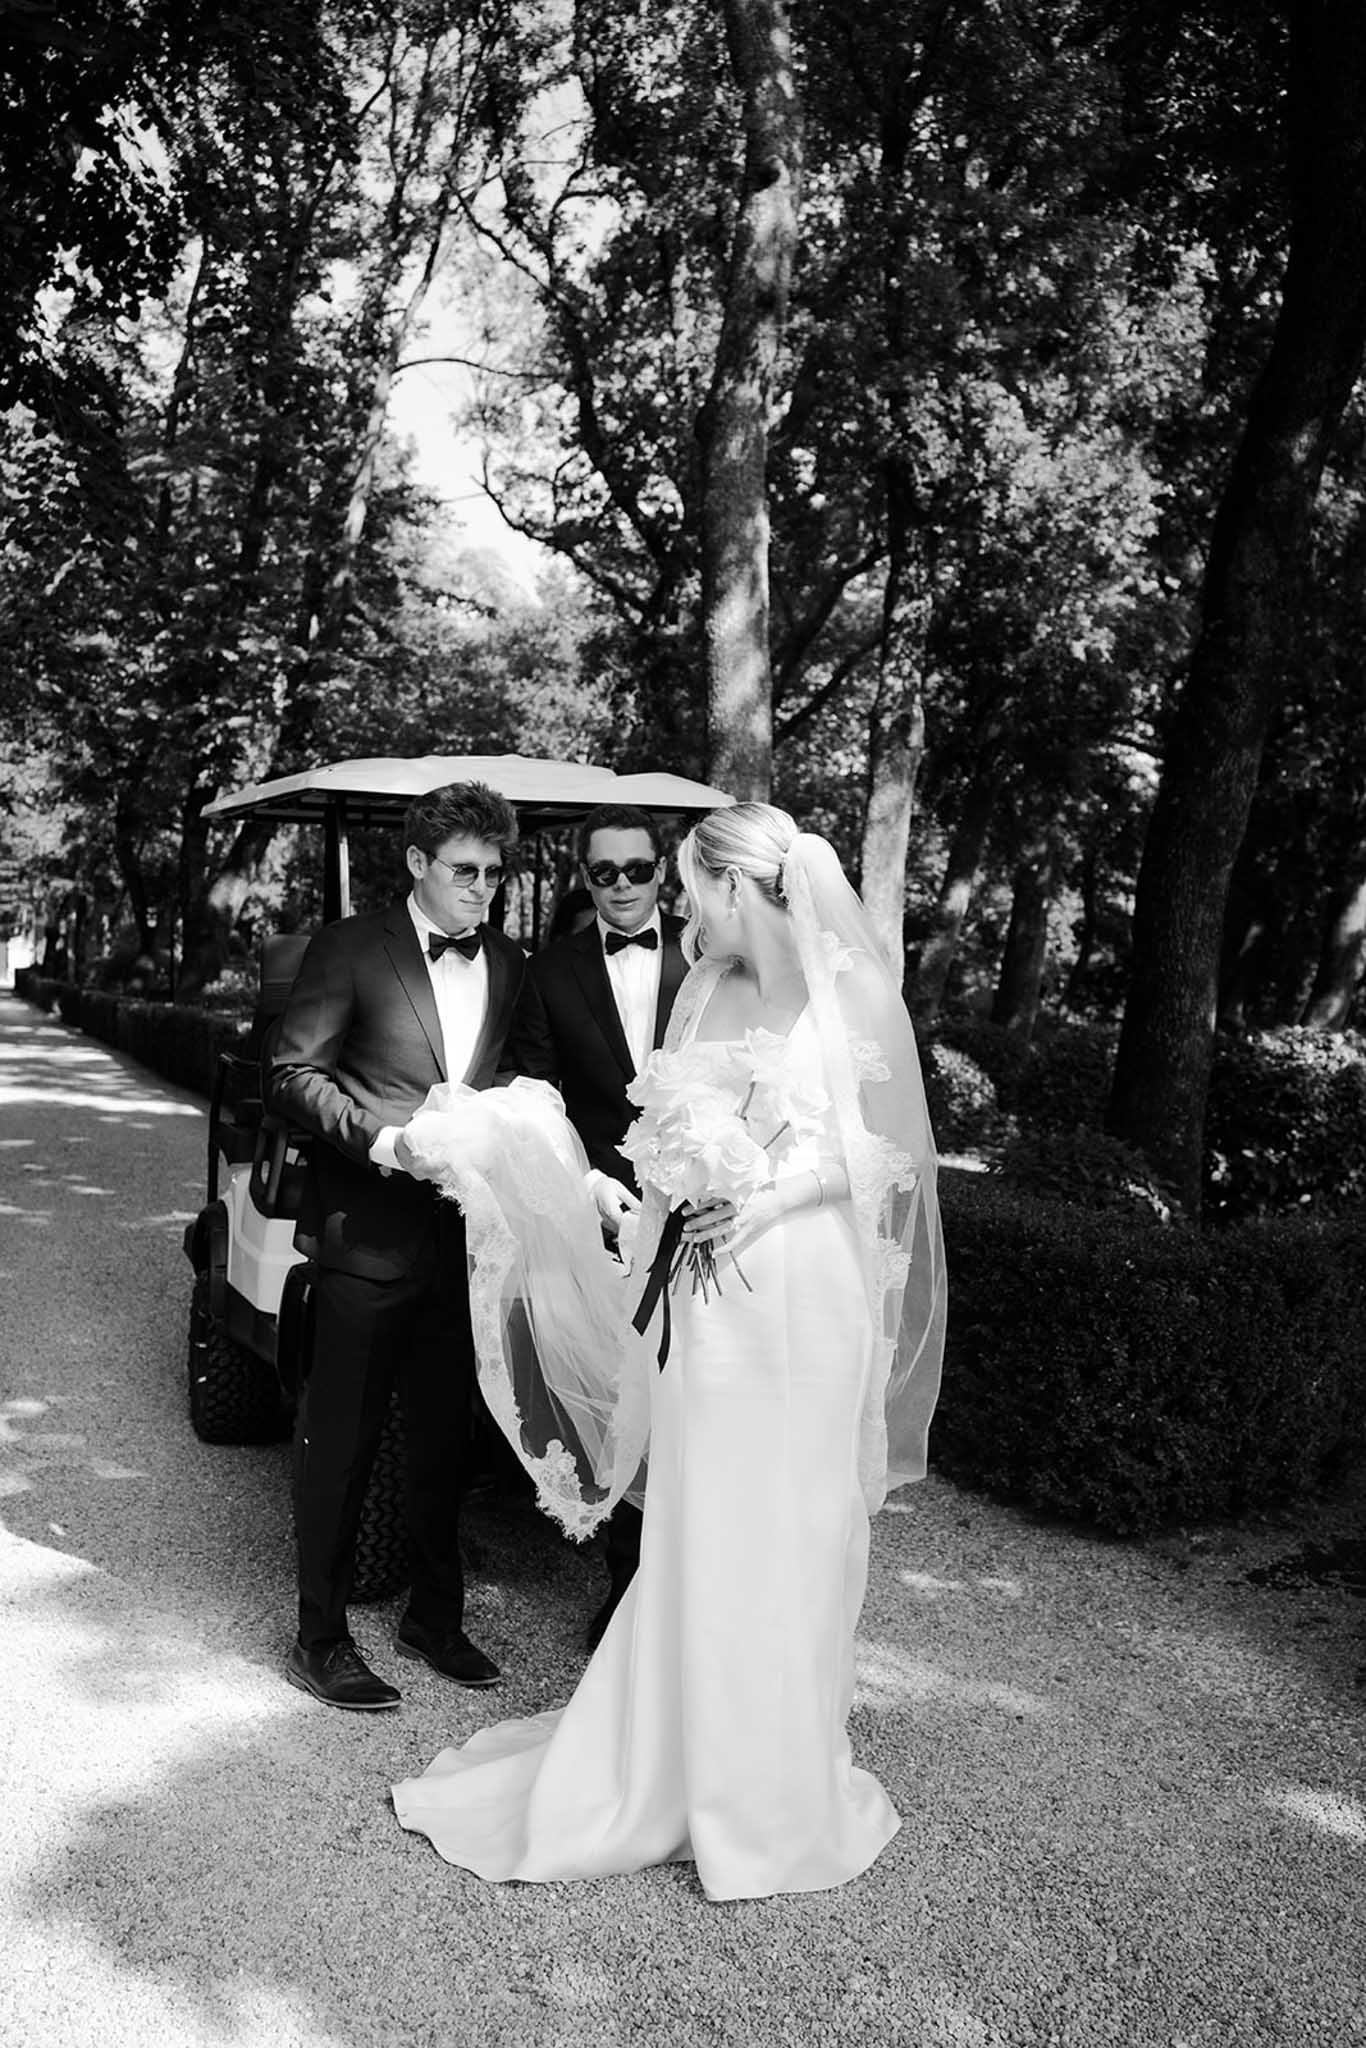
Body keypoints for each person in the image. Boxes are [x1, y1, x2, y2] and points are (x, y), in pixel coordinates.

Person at [391, 803, 947, 1899]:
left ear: (740, 888)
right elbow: (664, 1132)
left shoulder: (851, 991)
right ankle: (672, 1756)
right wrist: (669, 1195)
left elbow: (886, 1157)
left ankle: (772, 1768)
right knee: (704, 1513)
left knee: (793, 1517)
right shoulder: (704, 984)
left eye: (691, 885)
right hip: (710, 1295)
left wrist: (765, 1191)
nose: (682, 905)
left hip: (805, 1289)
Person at [270, 780, 529, 1713]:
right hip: (365, 1237)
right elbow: (290, 1076)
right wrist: (383, 1142)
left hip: (465, 1242)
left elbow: (511, 1084)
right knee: (341, 1438)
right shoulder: (347, 947)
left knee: (443, 1440)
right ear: (417, 863)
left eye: (495, 873)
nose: (483, 888)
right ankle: (320, 1636)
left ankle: (434, 1614)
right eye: (466, 870)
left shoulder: (508, 960)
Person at [501, 803, 688, 1646]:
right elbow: (537, 1095)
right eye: (603, 872)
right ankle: (627, 1595)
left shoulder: (716, 955)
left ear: (665, 868)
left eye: (636, 869)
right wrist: (583, 1183)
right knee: (625, 1406)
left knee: (702, 1402)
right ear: (586, 876)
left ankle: (700, 1587)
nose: (620, 886)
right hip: (607, 1223)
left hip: (709, 1216)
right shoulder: (551, 971)